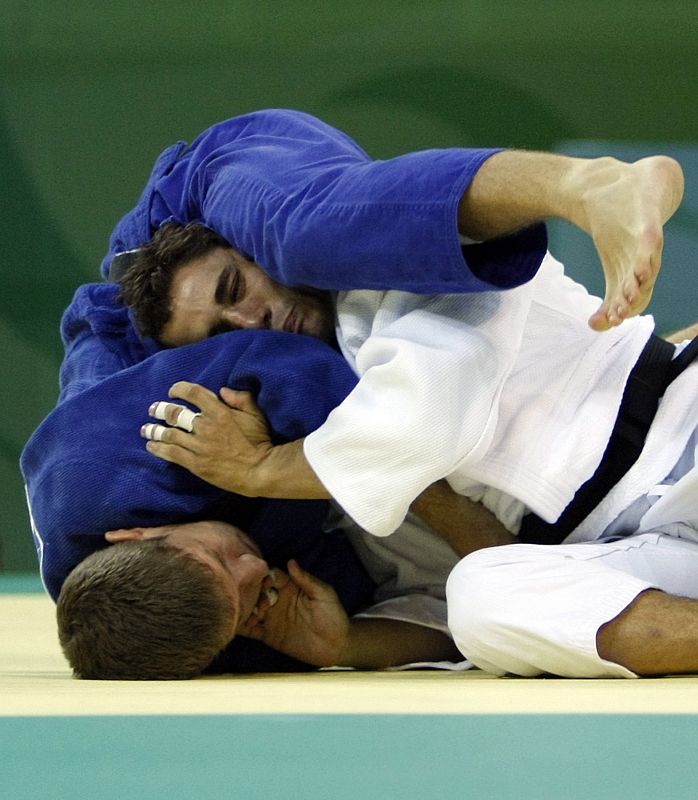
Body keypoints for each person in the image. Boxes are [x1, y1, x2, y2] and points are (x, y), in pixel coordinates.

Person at [106, 108, 680, 334]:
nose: (250, 320)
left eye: (236, 290)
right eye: (222, 333)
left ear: (240, 251)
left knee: (301, 231)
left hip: (203, 185)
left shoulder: (110, 320)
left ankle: (593, 185)